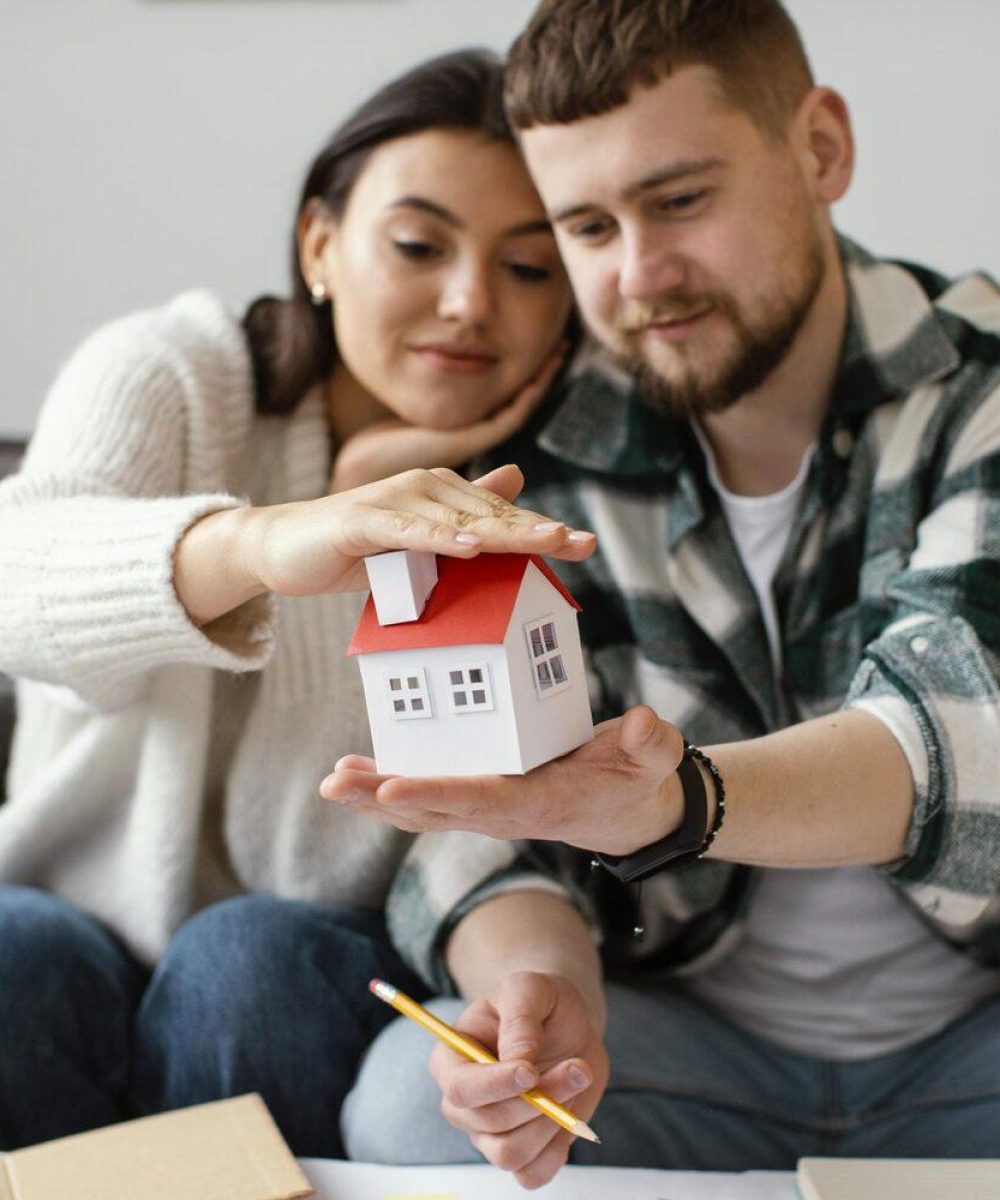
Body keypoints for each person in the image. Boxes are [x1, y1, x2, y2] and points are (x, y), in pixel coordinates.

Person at [331, 1, 1000, 1188]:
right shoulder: (555, 440)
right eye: (587, 226)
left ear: (820, 148)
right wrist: (540, 994)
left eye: (681, 200)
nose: (639, 276)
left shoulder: (978, 388)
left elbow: (954, 729)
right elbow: (488, 834)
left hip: (976, 1049)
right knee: (408, 1105)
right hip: (690, 1051)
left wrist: (673, 801)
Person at [0, 48, 595, 1156]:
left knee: (246, 962)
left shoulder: (553, 499)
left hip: (299, 957)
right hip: (63, 920)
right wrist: (281, 537)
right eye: (419, 246)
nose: (470, 303)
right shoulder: (175, 372)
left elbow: (503, 808)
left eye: (528, 266)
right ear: (319, 244)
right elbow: (16, 579)